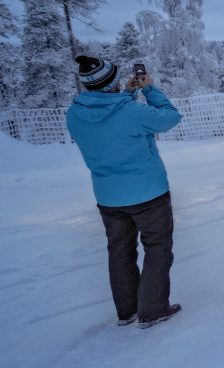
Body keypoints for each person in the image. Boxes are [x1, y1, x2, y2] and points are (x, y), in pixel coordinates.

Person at [66, 55, 183, 329]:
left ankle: (127, 311)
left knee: (119, 251)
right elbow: (170, 118)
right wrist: (149, 89)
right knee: (157, 247)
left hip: (108, 197)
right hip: (148, 194)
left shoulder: (74, 113)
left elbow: (108, 119)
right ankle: (153, 310)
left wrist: (128, 93)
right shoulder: (131, 112)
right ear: (112, 82)